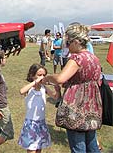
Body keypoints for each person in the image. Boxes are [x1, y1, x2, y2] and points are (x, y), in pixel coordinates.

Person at [43, 23, 102, 153]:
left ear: (76, 42)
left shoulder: (77, 58)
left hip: (77, 106)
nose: (67, 46)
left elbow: (60, 79)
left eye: (68, 43)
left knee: (78, 146)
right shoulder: (94, 58)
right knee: (92, 144)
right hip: (92, 106)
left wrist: (47, 78)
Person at [18, 64, 61, 153]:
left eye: (43, 75)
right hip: (31, 124)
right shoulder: (30, 88)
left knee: (39, 148)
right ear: (32, 75)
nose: (42, 77)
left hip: (41, 123)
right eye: (39, 75)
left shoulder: (43, 88)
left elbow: (55, 97)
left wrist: (57, 90)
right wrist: (35, 82)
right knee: (32, 149)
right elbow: (22, 91)